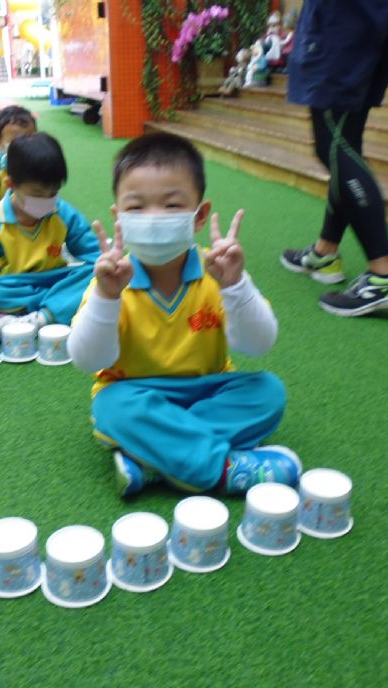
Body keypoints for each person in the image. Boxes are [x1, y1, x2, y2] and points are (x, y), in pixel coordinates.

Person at [67, 133, 299, 498]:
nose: (154, 218)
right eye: (136, 207)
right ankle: (222, 471)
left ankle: (154, 456)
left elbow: (258, 344)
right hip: (136, 393)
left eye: (172, 205)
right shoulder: (111, 282)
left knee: (268, 392)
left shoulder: (218, 272)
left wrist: (235, 286)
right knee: (111, 406)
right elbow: (88, 360)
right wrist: (106, 297)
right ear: (118, 217)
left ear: (199, 215)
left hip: (208, 387)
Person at [280, 0, 388, 316]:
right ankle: (325, 251)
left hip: (345, 14)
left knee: (333, 144)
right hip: (374, 13)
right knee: (345, 141)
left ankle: (385, 271)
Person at [0, 132, 100, 342]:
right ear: (11, 184)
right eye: (37, 194)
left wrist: (106, 267)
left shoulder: (62, 212)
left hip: (55, 279)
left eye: (53, 192)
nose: (47, 201)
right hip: (15, 285)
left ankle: (41, 317)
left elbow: (93, 254)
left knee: (96, 274)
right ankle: (58, 307)